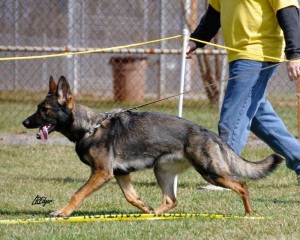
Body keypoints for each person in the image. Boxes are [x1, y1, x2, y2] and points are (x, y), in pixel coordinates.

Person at [186, 0, 300, 189]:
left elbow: (288, 13)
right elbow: (214, 14)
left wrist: (295, 54)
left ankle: (224, 175)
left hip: (258, 54)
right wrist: (196, 40)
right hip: (239, 54)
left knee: (232, 116)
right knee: (257, 116)